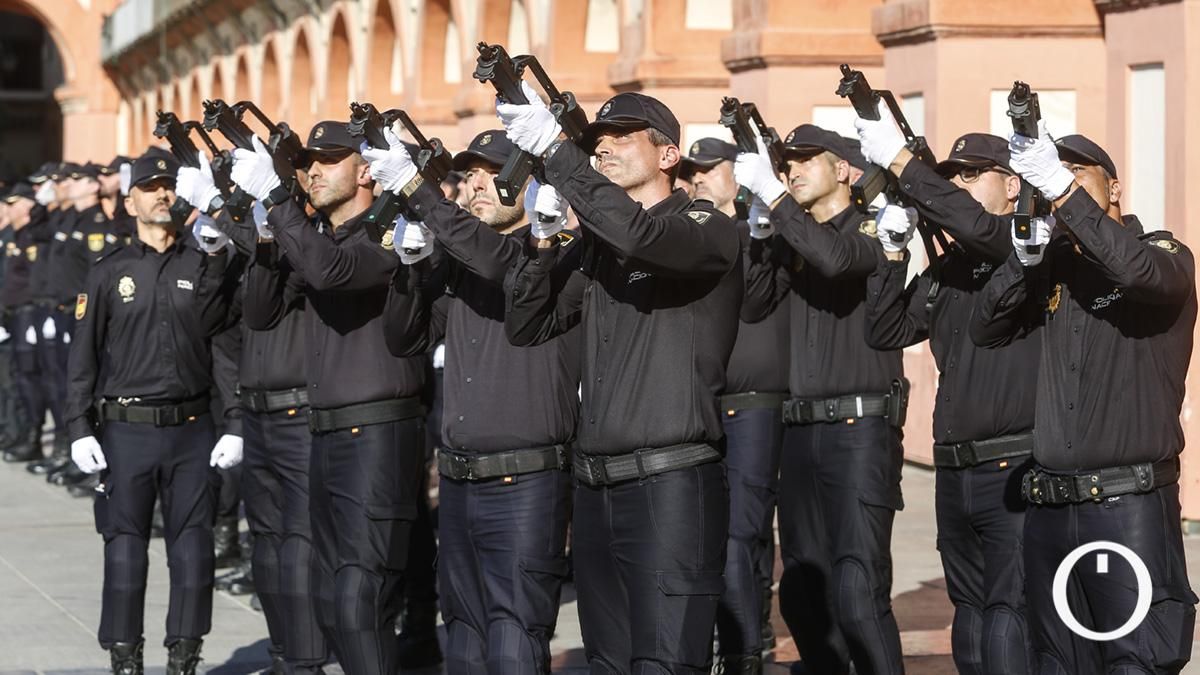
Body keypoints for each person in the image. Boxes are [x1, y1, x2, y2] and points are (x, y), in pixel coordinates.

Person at [498, 87, 742, 674]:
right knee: (605, 663)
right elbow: (528, 324)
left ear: (667, 155)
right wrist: (542, 241)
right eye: (595, 142)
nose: (603, 148)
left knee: (663, 662)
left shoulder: (704, 224)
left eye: (621, 138)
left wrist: (560, 154)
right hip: (597, 488)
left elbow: (643, 237)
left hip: (671, 484)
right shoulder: (597, 246)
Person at [971, 127, 1197, 674]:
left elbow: (1136, 270)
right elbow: (985, 330)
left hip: (1127, 509)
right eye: (1051, 177)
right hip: (1051, 510)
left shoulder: (1161, 252)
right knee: (1055, 661)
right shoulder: (1055, 270)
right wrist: (1022, 263)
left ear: (1113, 189)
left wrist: (1062, 193)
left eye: (1075, 173)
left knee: (1134, 659)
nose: (1059, 187)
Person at [366, 128, 582, 673]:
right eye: (472, 174)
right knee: (462, 635)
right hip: (462, 481)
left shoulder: (550, 257)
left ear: (533, 186)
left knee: (514, 635)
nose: (478, 183)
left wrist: (419, 191)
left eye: (494, 171)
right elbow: (405, 338)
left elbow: (502, 267)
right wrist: (411, 271)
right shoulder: (464, 264)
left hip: (526, 480)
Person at [237, 121, 427, 675]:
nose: (312, 171)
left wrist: (279, 201)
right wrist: (270, 229)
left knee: (358, 598)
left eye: (329, 160)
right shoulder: (320, 237)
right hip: (326, 431)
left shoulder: (387, 231)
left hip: (377, 432)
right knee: (329, 595)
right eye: (307, 163)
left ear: (366, 170)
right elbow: (261, 310)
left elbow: (332, 273)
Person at [856, 116, 1039, 673]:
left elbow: (981, 229)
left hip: (1014, 463)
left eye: (971, 174)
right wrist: (892, 253)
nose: (958, 185)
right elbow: (885, 331)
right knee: (970, 612)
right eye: (952, 176)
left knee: (1010, 611)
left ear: (1011, 185)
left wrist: (905, 168)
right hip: (955, 471)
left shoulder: (1026, 245)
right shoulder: (949, 269)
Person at [734, 124, 906, 675]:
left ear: (845, 170)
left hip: (859, 430)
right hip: (801, 432)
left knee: (858, 587)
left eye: (809, 160)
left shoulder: (875, 228)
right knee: (804, 592)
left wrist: (779, 204)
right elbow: (756, 305)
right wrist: (763, 231)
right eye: (788, 164)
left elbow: (835, 258)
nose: (794, 171)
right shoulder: (794, 235)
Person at [65, 151, 241, 675]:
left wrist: (234, 422)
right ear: (131, 199)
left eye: (169, 186)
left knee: (193, 553)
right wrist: (78, 426)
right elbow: (83, 357)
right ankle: (125, 654)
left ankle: (185, 654)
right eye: (151, 187)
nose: (162, 195)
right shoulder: (108, 273)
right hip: (126, 430)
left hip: (192, 430)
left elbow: (223, 350)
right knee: (124, 551)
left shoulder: (206, 264)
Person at [682, 137, 788, 671]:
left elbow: (755, 300)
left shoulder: (759, 231)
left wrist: (756, 230)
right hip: (703, 403)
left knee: (743, 530)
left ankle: (746, 641)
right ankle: (727, 635)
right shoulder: (687, 233)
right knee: (706, 532)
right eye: (693, 171)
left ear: (739, 174)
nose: (698, 178)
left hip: (751, 403)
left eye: (710, 169)